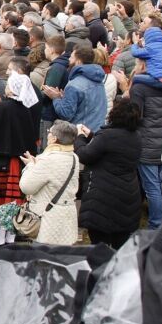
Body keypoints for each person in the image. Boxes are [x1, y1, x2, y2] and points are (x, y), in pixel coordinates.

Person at [75, 98, 144, 249]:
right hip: (127, 195)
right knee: (121, 244)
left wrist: (80, 137)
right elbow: (113, 149)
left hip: (103, 196)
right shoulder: (136, 137)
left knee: (100, 247)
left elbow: (85, 155)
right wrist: (92, 136)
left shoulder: (106, 136)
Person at [0, 69, 39, 214]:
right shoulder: (26, 109)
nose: (6, 87)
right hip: (19, 162)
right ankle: (8, 237)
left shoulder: (2, 108)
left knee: (0, 203)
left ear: (13, 89)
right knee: (13, 203)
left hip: (0, 161)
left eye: (8, 85)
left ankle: (0, 236)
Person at [17, 122, 83, 245]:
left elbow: (26, 187)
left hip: (48, 219)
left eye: (49, 132)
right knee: (63, 258)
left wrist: (31, 166)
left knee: (44, 259)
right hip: (68, 217)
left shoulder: (47, 159)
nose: (47, 134)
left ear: (54, 138)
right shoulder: (74, 157)